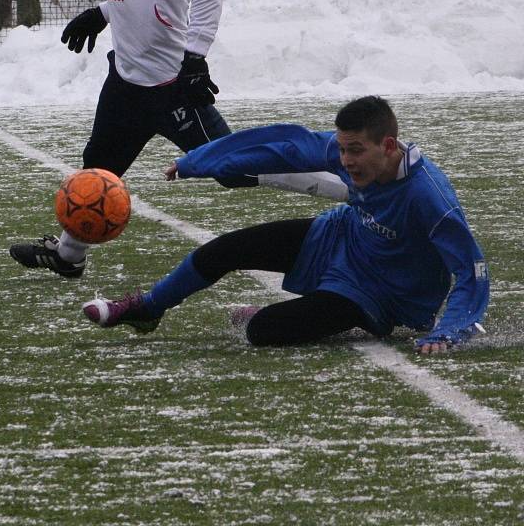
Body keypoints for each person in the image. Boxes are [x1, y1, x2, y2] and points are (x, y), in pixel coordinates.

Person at [82, 96, 489, 356]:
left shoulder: (430, 197)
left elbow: (469, 269)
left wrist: (448, 331)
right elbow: (280, 146)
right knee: (225, 250)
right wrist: (198, 161)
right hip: (338, 238)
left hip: (378, 295)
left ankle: (288, 313)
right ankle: (147, 309)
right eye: (342, 149)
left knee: (263, 331)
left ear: (388, 146)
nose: (345, 161)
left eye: (356, 151)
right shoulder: (346, 151)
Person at [9, 0, 249, 279]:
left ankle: (345, 181)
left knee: (236, 170)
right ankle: (69, 255)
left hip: (166, 86)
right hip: (127, 81)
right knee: (99, 164)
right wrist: (102, 13)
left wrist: (194, 58)